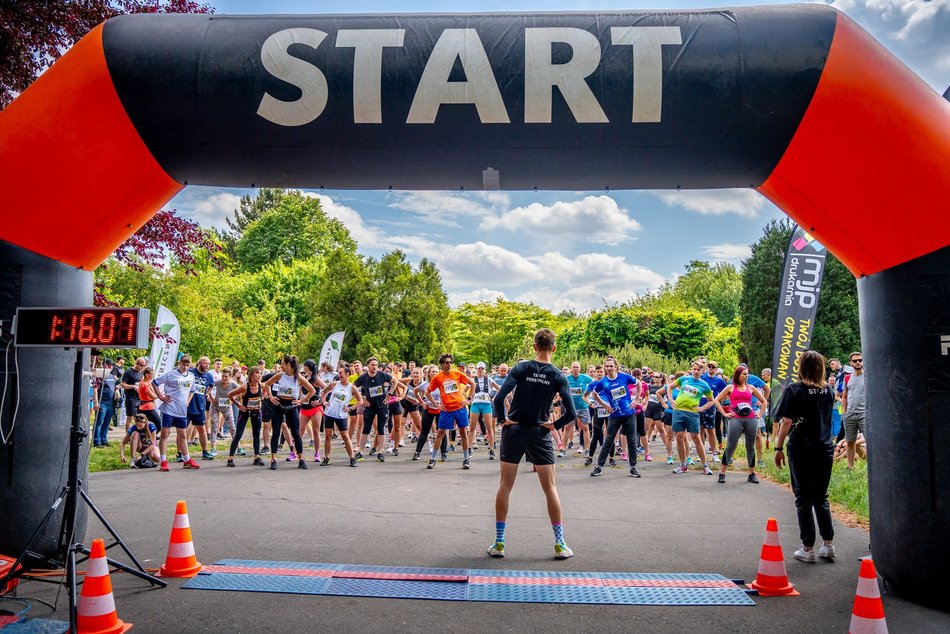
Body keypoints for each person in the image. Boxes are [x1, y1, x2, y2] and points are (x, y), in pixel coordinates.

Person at [489, 328, 577, 560]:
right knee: (550, 488)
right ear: (554, 348)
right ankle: (559, 544)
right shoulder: (558, 375)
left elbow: (498, 398)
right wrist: (554, 426)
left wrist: (502, 420)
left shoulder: (521, 368)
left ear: (535, 346)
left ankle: (499, 543)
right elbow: (572, 412)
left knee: (505, 485)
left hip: (514, 430)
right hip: (539, 432)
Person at [773, 350, 837, 563]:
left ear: (801, 367)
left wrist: (778, 447)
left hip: (801, 448)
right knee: (821, 496)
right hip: (825, 448)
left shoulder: (794, 389)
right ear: (821, 367)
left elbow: (786, 422)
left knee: (803, 497)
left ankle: (807, 547)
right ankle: (828, 544)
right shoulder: (828, 390)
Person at [584, 358, 642, 478]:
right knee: (608, 441)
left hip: (629, 414)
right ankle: (599, 467)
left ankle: (633, 468)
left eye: (611, 366)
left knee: (631, 440)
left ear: (616, 366)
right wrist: (605, 406)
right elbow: (594, 394)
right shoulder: (603, 382)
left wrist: (636, 399)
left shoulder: (624, 377)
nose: (609, 368)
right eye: (607, 366)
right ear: (605, 368)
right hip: (614, 415)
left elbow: (639, 383)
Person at [657, 361, 715, 475]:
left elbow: (712, 400)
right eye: (694, 369)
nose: (696, 371)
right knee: (679, 437)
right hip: (678, 412)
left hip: (692, 413)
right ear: (691, 369)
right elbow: (670, 387)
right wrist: (671, 400)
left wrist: (702, 408)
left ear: (702, 371)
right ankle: (683, 465)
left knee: (696, 438)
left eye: (698, 370)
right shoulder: (684, 379)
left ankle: (705, 465)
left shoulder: (704, 385)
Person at [713, 364, 768, 484]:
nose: (747, 376)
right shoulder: (730, 387)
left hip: (751, 419)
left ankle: (752, 473)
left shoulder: (751, 388)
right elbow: (716, 400)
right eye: (744, 374)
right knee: (730, 445)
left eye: (747, 374)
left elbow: (764, 401)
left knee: (750, 446)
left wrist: (759, 415)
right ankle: (722, 473)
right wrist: (725, 414)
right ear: (738, 375)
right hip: (735, 419)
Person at [264, 355, 316, 470]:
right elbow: (267, 384)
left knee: (296, 433)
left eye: (283, 363)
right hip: (278, 404)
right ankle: (273, 459)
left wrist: (300, 401)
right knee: (276, 431)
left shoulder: (298, 378)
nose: (281, 365)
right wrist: (271, 397)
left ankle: (301, 459)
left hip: (292, 406)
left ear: (288, 365)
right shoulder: (280, 375)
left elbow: (312, 390)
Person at [426, 354, 475, 469]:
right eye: (447, 362)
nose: (449, 364)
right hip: (446, 410)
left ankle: (466, 459)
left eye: (450, 362)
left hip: (459, 408)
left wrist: (468, 399)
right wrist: (436, 404)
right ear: (442, 364)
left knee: (463, 432)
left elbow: (472, 383)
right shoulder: (438, 377)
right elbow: (428, 392)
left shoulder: (457, 374)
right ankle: (432, 459)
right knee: (440, 433)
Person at [153, 355, 199, 471]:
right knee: (165, 434)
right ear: (179, 363)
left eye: (187, 365)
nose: (185, 367)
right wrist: (161, 397)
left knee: (182, 435)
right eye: (183, 364)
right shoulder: (171, 374)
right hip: (169, 408)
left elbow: (192, 390)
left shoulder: (191, 376)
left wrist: (188, 401)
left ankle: (187, 460)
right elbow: (155, 382)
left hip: (182, 410)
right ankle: (163, 461)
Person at [353, 357, 397, 462]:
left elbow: (394, 381)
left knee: (381, 429)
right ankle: (360, 452)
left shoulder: (382, 375)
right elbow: (352, 388)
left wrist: (389, 395)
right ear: (368, 366)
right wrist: (362, 399)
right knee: (366, 429)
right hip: (369, 406)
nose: (374, 367)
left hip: (382, 405)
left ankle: (380, 452)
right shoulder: (363, 377)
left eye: (376, 365)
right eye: (372, 365)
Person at [320, 362, 359, 467]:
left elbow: (360, 401)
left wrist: (350, 408)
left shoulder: (351, 387)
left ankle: (352, 458)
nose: (339, 375)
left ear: (347, 374)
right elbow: (323, 392)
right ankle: (327, 458)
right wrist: (324, 402)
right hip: (329, 413)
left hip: (341, 415)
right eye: (339, 373)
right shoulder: (334, 384)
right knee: (328, 436)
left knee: (345, 436)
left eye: (341, 373)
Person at [226, 367, 266, 467]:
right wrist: (238, 405)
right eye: (257, 373)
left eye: (260, 373)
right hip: (245, 412)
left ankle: (257, 457)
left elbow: (267, 389)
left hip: (256, 412)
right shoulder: (244, 387)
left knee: (256, 434)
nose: (259, 375)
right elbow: (230, 394)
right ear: (251, 375)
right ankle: (230, 458)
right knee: (238, 434)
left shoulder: (261, 386)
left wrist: (262, 398)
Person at [468, 362, 500, 460]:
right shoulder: (473, 380)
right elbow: (464, 391)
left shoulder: (489, 379)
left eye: (482, 368)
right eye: (479, 368)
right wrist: (468, 399)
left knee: (490, 427)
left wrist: (493, 398)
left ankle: (491, 450)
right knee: (472, 427)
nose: (480, 370)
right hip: (475, 404)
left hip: (486, 404)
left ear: (484, 370)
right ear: (476, 369)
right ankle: (469, 449)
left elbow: (499, 389)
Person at [840, 351, 866, 469]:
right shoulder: (847, 378)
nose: (857, 362)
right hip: (850, 414)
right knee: (850, 441)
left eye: (860, 360)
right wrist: (844, 412)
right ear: (851, 363)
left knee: (870, 440)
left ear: (863, 361)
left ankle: (873, 466)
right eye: (855, 361)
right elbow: (844, 396)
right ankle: (850, 467)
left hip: (864, 413)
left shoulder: (868, 376)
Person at [188, 356, 216, 460]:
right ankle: (180, 453)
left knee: (202, 430)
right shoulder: (190, 372)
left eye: (208, 364)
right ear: (199, 363)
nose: (207, 365)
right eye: (205, 363)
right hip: (187, 406)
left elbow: (212, 385)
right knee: (182, 430)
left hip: (200, 406)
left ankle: (205, 452)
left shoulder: (209, 376)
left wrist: (206, 394)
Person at [699, 361, 727, 462]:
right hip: (698, 406)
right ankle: (700, 453)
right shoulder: (702, 377)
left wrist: (718, 401)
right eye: (709, 366)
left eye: (713, 367)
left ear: (716, 369)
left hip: (710, 408)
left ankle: (714, 453)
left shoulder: (719, 380)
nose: (710, 368)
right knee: (700, 430)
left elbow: (727, 392)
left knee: (711, 430)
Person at [565, 362, 593, 457]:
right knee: (567, 427)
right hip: (571, 407)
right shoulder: (567, 378)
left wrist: (590, 395)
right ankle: (563, 449)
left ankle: (587, 449)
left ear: (580, 369)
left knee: (585, 427)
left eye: (577, 367)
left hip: (583, 407)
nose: (576, 368)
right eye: (574, 367)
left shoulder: (585, 378)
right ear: (571, 368)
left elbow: (594, 384)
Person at [92, 358, 118, 447]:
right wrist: (96, 402)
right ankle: (97, 441)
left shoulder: (111, 376)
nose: (110, 367)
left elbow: (114, 387)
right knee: (99, 422)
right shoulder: (99, 375)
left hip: (110, 403)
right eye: (109, 365)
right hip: (102, 402)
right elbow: (95, 388)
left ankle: (104, 439)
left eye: (111, 365)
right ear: (104, 365)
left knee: (107, 422)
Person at [119, 357, 146, 430]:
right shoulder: (128, 372)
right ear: (137, 363)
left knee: (140, 417)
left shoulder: (141, 372)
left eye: (144, 366)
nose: (142, 367)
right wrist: (133, 386)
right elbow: (122, 384)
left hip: (139, 398)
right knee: (130, 418)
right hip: (131, 398)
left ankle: (139, 433)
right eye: (141, 365)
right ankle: (128, 435)